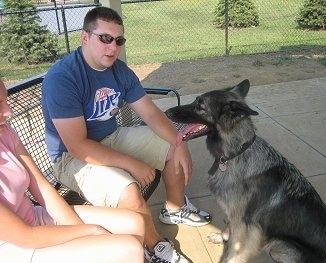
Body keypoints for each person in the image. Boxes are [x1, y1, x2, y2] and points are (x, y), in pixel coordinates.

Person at [42, 6, 211, 263]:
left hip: (112, 136)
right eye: (105, 38)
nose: (113, 47)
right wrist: (132, 164)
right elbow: (78, 146)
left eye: (119, 40)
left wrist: (179, 142)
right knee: (130, 191)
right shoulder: (63, 78)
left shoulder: (119, 71)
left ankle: (174, 210)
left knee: (170, 149)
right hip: (71, 159)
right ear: (85, 37)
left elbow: (152, 115)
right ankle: (154, 247)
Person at [0, 78, 145, 263]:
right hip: (13, 248)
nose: (8, 112)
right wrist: (88, 231)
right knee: (128, 249)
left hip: (35, 219)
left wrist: (81, 233)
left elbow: (42, 187)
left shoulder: (5, 132)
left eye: (5, 100)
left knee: (134, 223)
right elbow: (26, 237)